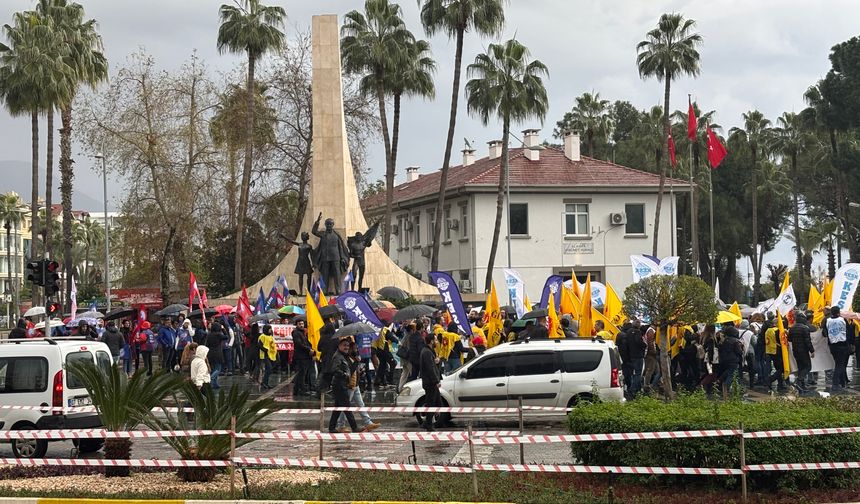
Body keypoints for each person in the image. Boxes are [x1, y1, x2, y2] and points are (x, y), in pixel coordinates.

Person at [336, 340, 380, 432]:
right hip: (350, 385)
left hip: (356, 384)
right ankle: (341, 425)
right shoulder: (347, 359)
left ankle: (368, 422)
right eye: (355, 348)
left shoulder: (353, 358)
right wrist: (356, 362)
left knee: (361, 404)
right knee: (345, 406)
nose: (356, 350)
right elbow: (350, 372)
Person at [328, 336, 360, 433]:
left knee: (338, 408)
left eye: (347, 345)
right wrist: (344, 375)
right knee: (347, 407)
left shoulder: (344, 356)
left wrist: (356, 362)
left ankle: (332, 428)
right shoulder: (338, 356)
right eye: (344, 345)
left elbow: (349, 370)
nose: (346, 347)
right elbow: (334, 369)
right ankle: (355, 428)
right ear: (339, 346)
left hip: (342, 384)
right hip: (339, 385)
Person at [823, 306, 852, 393]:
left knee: (839, 363)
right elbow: (849, 331)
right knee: (840, 365)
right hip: (843, 345)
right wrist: (851, 343)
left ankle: (842, 382)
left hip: (833, 346)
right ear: (839, 312)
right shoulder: (843, 320)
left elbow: (824, 333)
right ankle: (835, 384)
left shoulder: (827, 321)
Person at [419, 331, 443, 431]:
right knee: (431, 403)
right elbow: (430, 368)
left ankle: (428, 422)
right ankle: (428, 423)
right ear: (431, 341)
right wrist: (436, 381)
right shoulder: (426, 352)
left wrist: (436, 361)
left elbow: (433, 365)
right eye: (436, 339)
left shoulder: (429, 351)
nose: (437, 341)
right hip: (430, 383)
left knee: (438, 403)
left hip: (431, 381)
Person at [788, 313, 814, 394]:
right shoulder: (805, 328)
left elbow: (789, 339)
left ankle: (802, 385)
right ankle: (799, 381)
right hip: (803, 351)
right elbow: (808, 341)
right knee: (807, 367)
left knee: (800, 367)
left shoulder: (792, 328)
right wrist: (812, 350)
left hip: (795, 350)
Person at [717, 321, 744, 396]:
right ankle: (726, 387)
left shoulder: (724, 340)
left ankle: (718, 381)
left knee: (727, 372)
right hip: (733, 360)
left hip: (724, 359)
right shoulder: (735, 341)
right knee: (731, 374)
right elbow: (739, 351)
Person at [292, 318, 314, 395]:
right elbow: (299, 344)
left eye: (302, 324)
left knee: (302, 374)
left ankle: (297, 390)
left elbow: (306, 343)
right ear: (296, 325)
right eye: (300, 324)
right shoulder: (296, 333)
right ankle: (301, 390)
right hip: (301, 357)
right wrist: (308, 350)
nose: (301, 325)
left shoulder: (302, 333)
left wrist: (311, 348)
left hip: (305, 356)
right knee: (301, 374)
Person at [206, 322, 227, 389]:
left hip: (210, 353)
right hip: (217, 353)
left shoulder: (209, 334)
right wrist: (223, 329)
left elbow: (206, 344)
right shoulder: (219, 334)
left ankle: (215, 384)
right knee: (218, 369)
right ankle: (211, 378)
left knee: (213, 368)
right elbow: (226, 337)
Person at [258, 324, 278, 389]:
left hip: (271, 355)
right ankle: (264, 382)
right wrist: (266, 350)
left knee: (269, 369)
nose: (270, 330)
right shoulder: (262, 336)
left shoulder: (271, 337)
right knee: (269, 369)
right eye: (269, 329)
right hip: (265, 355)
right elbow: (260, 345)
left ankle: (265, 383)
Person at [642, 324, 659, 393]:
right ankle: (647, 385)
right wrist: (654, 351)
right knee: (650, 369)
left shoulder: (650, 330)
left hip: (650, 353)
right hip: (651, 354)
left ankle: (659, 385)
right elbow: (651, 343)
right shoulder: (651, 331)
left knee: (656, 370)